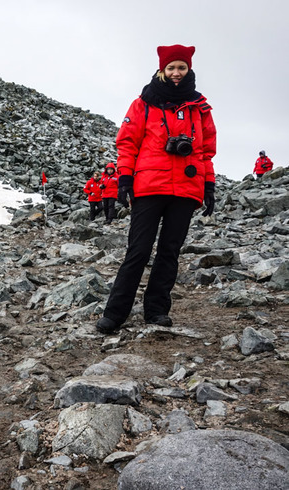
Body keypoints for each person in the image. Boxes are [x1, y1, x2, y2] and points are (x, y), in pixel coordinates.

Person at [96, 44, 216, 334]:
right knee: (137, 250)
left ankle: (157, 311)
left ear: (189, 70)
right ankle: (114, 314)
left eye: (181, 68)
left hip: (186, 188)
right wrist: (125, 178)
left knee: (169, 251)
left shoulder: (200, 108)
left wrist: (208, 185)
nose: (176, 73)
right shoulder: (143, 104)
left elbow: (206, 151)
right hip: (149, 186)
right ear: (162, 70)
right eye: (171, 68)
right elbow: (127, 143)